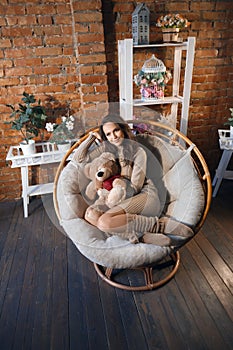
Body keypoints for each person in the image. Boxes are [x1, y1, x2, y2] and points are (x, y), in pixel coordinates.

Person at [74, 114, 194, 246]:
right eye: (108, 134)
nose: (113, 136)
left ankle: (160, 226)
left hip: (144, 196)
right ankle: (140, 236)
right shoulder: (107, 150)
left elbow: (135, 187)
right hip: (117, 199)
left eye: (116, 130)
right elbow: (77, 159)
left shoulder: (138, 151)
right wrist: (91, 137)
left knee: (103, 221)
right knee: (90, 215)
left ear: (123, 129)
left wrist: (113, 193)